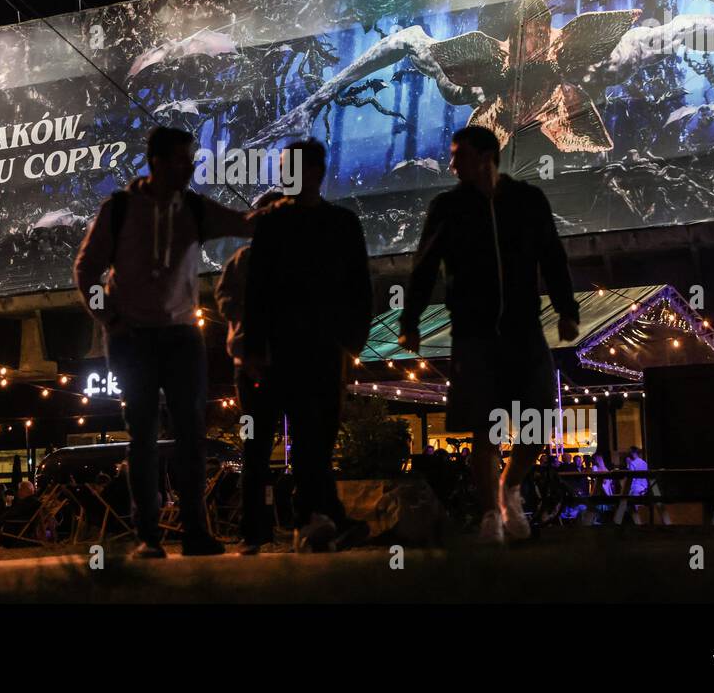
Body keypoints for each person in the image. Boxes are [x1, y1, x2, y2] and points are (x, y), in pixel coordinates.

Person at [74, 126, 258, 559]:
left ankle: (195, 533)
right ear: (156, 161)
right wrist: (109, 317)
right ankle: (148, 537)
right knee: (141, 434)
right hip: (131, 340)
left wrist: (274, 211)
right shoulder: (119, 209)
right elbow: (87, 269)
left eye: (191, 159)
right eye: (181, 159)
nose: (190, 167)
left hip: (181, 337)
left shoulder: (193, 208)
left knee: (192, 434)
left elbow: (242, 223)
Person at [399, 125, 580, 545]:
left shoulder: (527, 200)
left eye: (457, 155)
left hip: (524, 328)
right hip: (473, 332)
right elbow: (424, 266)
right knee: (483, 427)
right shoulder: (447, 207)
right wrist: (410, 321)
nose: (450, 164)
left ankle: (509, 487)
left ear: (485, 157)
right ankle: (489, 515)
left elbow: (552, 256)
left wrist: (566, 310)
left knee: (537, 418)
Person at [243, 139, 373, 552]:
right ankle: (316, 518)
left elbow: (360, 287)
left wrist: (352, 340)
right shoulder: (272, 223)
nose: (284, 175)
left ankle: (316, 519)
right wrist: (255, 346)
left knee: (317, 436)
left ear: (314, 172)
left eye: (290, 167)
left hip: (323, 347)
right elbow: (256, 289)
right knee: (299, 437)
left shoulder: (342, 224)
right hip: (285, 348)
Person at [213, 189, 284, 554]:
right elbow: (223, 298)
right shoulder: (242, 261)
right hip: (254, 367)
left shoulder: (295, 262)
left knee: (278, 451)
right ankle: (255, 533)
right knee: (255, 452)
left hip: (289, 364)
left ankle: (306, 525)